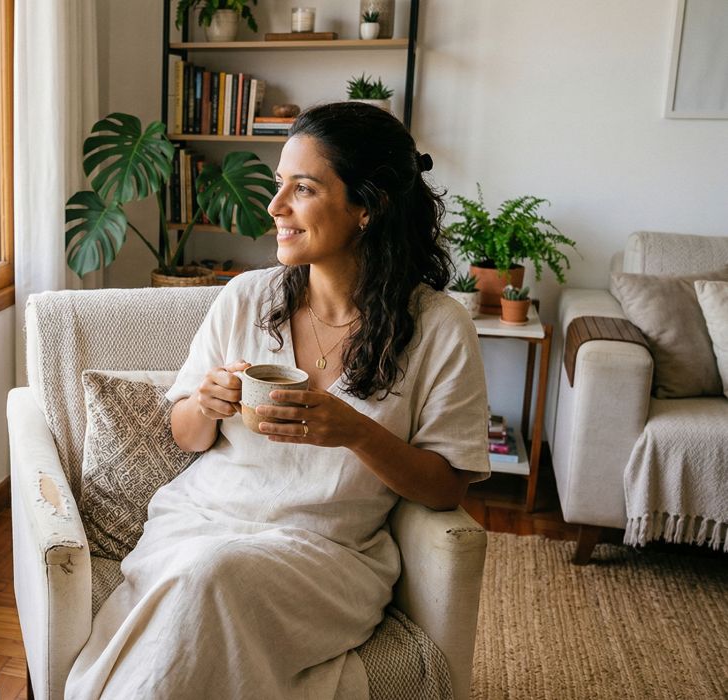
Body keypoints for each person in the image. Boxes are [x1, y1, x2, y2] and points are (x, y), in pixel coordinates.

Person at [64, 102, 491, 699]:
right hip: (197, 524)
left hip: (327, 553)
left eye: (304, 188)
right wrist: (206, 402)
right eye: (278, 183)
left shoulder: (439, 327)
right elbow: (185, 435)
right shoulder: (246, 297)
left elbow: (447, 488)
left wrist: (355, 432)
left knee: (211, 579)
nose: (275, 206)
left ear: (368, 206)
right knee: (204, 574)